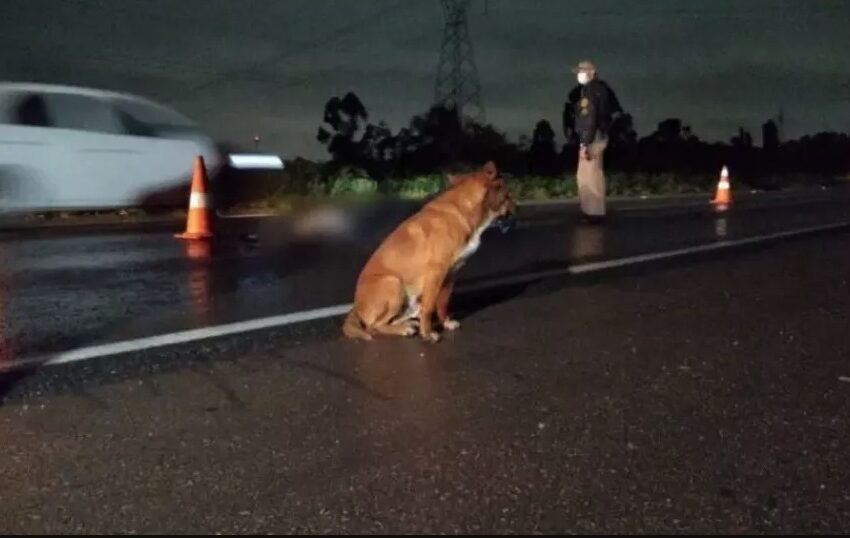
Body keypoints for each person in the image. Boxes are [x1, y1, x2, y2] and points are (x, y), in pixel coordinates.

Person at [563, 60, 622, 223]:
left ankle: (594, 213)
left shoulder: (591, 91)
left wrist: (585, 143)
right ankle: (593, 211)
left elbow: (589, 118)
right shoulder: (600, 89)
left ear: (591, 72)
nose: (578, 75)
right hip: (598, 135)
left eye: (581, 71)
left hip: (592, 136)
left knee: (589, 175)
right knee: (592, 173)